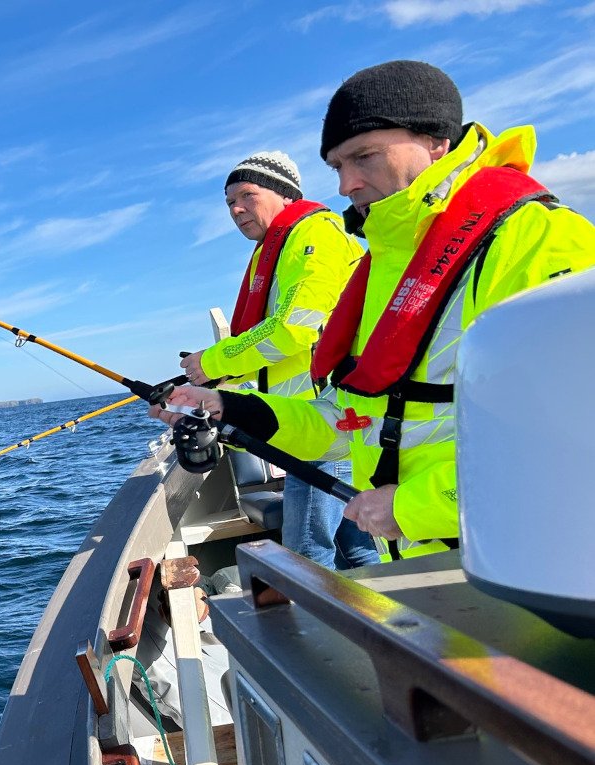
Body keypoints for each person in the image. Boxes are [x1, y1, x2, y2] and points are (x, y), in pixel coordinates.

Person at [154, 60, 595, 559]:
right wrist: (227, 406)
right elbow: (346, 422)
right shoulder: (385, 266)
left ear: (436, 141)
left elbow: (576, 443)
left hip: (524, 567)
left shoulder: (542, 242)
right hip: (431, 572)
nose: (346, 184)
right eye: (337, 166)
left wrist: (412, 508)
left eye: (364, 156)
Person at [184, 150, 377, 569]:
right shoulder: (279, 249)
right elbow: (284, 350)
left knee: (305, 554)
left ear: (285, 194)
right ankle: (395, 626)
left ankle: (317, 634)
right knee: (356, 549)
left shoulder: (315, 236)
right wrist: (217, 376)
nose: (236, 209)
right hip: (309, 426)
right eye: (229, 202)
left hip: (328, 424)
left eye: (246, 195)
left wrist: (215, 362)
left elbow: (296, 328)